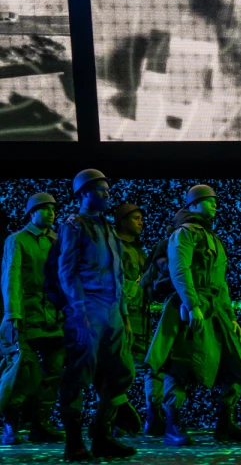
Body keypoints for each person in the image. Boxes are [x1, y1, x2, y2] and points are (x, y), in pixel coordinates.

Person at [146, 184, 241, 447]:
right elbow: (179, 269)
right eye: (208, 201)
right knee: (182, 365)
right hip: (189, 308)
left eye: (214, 201)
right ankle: (173, 426)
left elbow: (221, 283)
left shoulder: (213, 239)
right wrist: (191, 304)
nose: (214, 205)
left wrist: (231, 316)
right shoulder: (184, 234)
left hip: (215, 309)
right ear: (193, 205)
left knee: (235, 366)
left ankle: (225, 425)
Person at [58, 169, 136, 461]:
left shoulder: (108, 228)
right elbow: (67, 272)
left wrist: (124, 315)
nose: (107, 194)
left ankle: (101, 434)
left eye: (106, 189)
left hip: (112, 309)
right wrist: (78, 312)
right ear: (83, 194)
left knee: (123, 371)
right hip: (88, 307)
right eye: (99, 190)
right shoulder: (74, 225)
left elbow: (118, 273)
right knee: (78, 374)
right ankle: (74, 442)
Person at [0, 193, 65, 445]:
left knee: (54, 372)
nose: (50, 213)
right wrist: (11, 314)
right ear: (32, 212)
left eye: (52, 209)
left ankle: (41, 423)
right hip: (26, 317)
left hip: (55, 318)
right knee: (23, 374)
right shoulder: (17, 240)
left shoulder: (58, 241)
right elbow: (11, 278)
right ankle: (10, 424)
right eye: (44, 209)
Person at [111, 203, 163, 437]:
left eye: (142, 218)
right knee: (121, 370)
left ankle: (154, 416)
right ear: (122, 221)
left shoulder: (140, 250)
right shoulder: (113, 248)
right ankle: (114, 419)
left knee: (153, 366)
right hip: (122, 319)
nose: (141, 222)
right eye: (136, 218)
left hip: (142, 318)